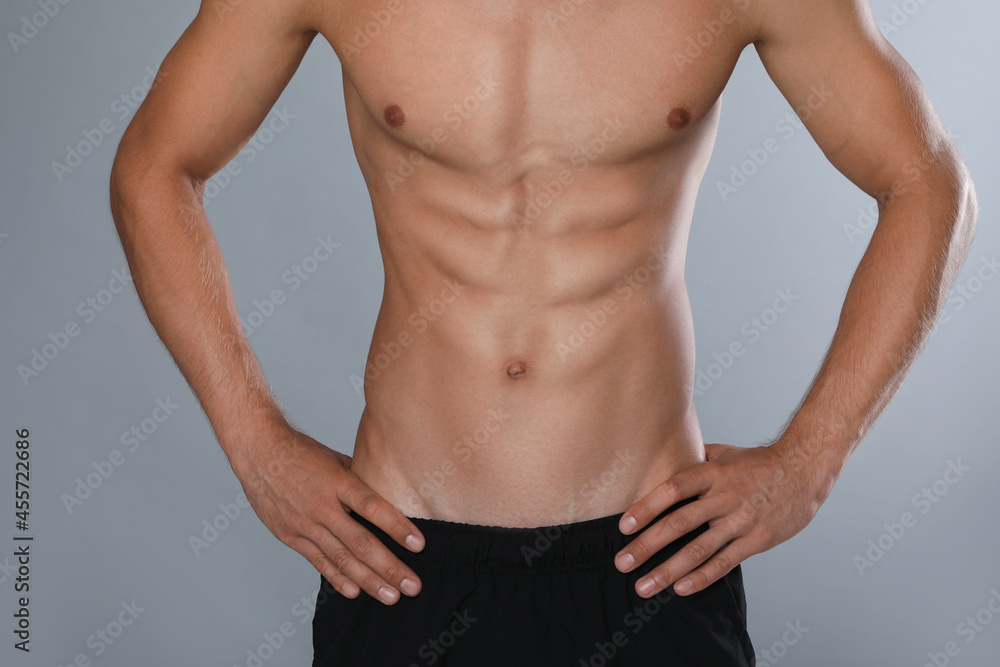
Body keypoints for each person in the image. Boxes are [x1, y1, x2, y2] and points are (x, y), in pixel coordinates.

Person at [109, 0, 977, 664]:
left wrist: (810, 461)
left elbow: (929, 182)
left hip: (649, 559)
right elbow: (153, 165)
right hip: (404, 552)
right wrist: (256, 445)